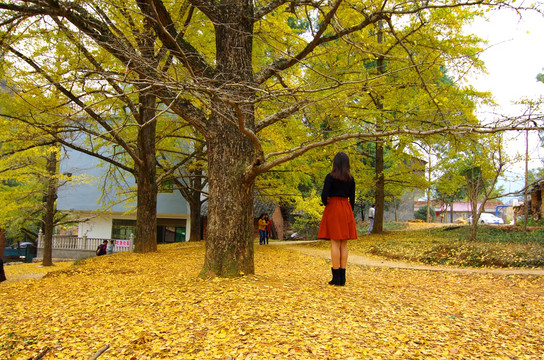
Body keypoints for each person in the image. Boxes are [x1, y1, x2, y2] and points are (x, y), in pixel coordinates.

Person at [317, 152, 357, 286]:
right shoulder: (351, 179)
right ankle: (343, 277)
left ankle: (336, 277)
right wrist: (348, 210)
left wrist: (326, 203)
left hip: (333, 207)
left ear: (335, 164)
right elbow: (352, 199)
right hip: (346, 208)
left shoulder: (330, 177)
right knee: (343, 243)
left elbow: (324, 195)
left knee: (335, 242)